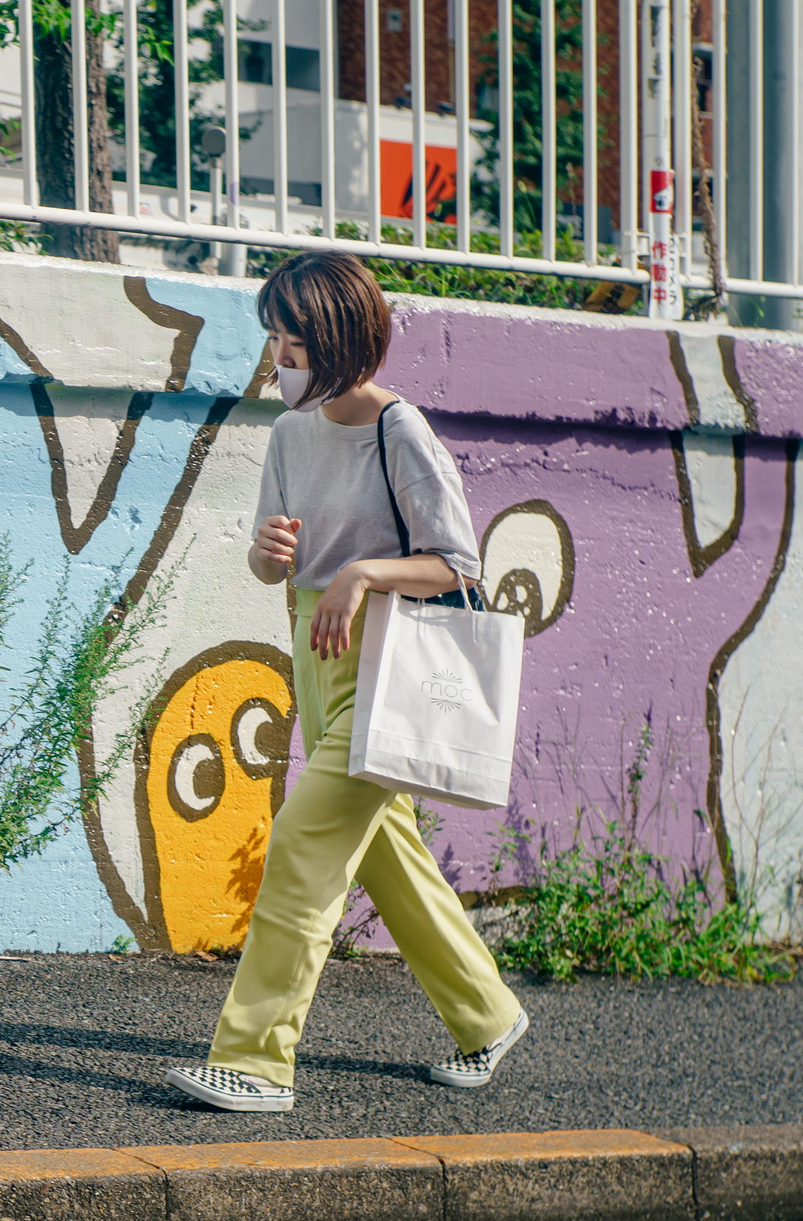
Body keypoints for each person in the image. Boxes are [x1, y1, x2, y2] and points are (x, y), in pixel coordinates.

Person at [166, 251, 528, 1113]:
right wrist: (266, 556)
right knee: (388, 854)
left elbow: (458, 563)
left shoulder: (400, 431)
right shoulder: (291, 433)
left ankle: (255, 1062)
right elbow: (274, 561)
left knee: (303, 843)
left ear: (335, 340)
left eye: (291, 344)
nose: (279, 360)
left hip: (387, 661)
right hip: (316, 650)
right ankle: (489, 1014)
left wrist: (362, 573)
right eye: (274, 342)